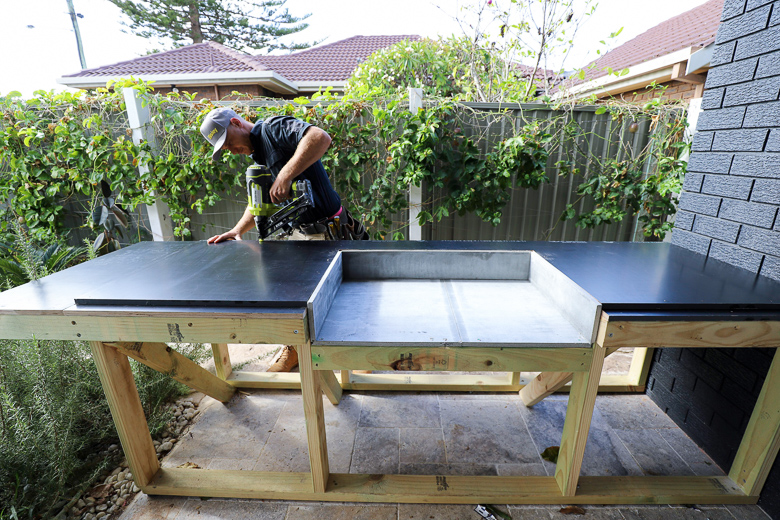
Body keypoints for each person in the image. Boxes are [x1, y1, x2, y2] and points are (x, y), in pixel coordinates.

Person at [200, 107, 368, 372]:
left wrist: (286, 175)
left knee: (341, 300)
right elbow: (259, 202)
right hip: (299, 235)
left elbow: (320, 137)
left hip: (329, 230)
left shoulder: (273, 129)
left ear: (236, 122)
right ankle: (295, 349)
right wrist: (237, 230)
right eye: (224, 148)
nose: (231, 150)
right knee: (291, 298)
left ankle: (356, 355)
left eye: (229, 142)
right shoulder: (257, 157)